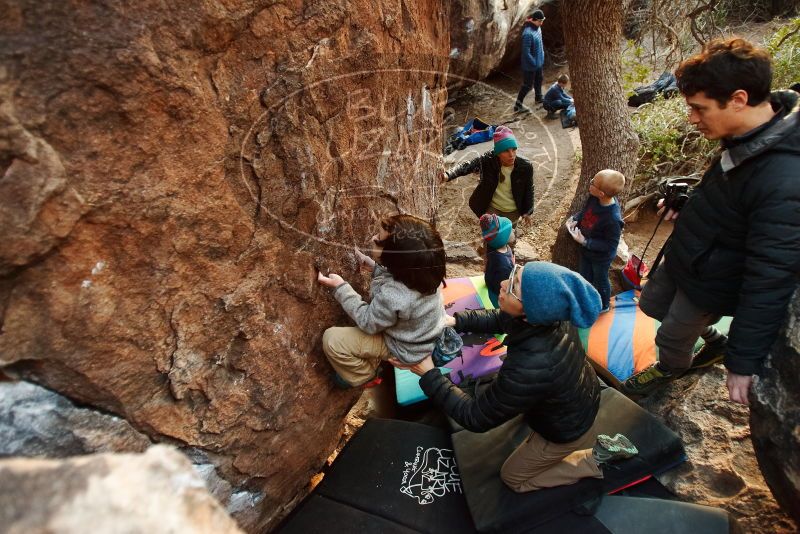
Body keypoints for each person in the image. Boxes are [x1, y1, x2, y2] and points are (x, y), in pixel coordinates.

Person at [620, 38, 800, 404]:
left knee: (670, 337)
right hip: (691, 256)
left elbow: (771, 274)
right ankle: (712, 339)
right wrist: (688, 204)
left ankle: (672, 367)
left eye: (699, 108)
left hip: (711, 279)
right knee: (651, 305)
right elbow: (732, 199)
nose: (692, 118)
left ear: (738, 99)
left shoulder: (785, 178)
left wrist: (744, 360)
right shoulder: (749, 134)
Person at [392, 262, 638, 492]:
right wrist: (455, 320)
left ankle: (595, 459)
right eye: (514, 275)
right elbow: (502, 319)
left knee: (513, 478)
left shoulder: (530, 366)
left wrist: (428, 373)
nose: (502, 283)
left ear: (530, 311)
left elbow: (475, 417)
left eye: (514, 286)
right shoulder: (550, 319)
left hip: (564, 430)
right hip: (578, 398)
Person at [317, 214, 447, 388]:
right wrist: (375, 266)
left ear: (395, 260)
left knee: (332, 340)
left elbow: (368, 322)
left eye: (378, 240)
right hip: (421, 335)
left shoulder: (395, 296)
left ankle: (365, 376)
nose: (373, 238)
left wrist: (341, 288)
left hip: (405, 347)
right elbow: (400, 278)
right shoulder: (426, 272)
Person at [443, 126, 534, 225]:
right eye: (506, 151)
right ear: (498, 153)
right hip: (492, 208)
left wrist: (527, 211)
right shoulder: (488, 160)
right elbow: (468, 165)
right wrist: (448, 174)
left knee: (509, 237)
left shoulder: (526, 167)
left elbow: (529, 189)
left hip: (512, 211)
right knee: (491, 237)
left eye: (514, 149)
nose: (511, 155)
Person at [566, 170, 626, 312]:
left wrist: (585, 241)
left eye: (593, 182)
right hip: (586, 251)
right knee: (584, 274)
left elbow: (610, 245)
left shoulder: (613, 219)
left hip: (601, 257)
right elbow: (586, 211)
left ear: (601, 194)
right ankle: (585, 297)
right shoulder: (594, 198)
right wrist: (576, 219)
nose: (590, 182)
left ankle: (604, 305)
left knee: (600, 280)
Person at [480, 214, 515, 308]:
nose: (514, 231)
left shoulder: (494, 247)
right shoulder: (503, 265)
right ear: (502, 238)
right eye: (510, 230)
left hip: (492, 284)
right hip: (498, 298)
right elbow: (507, 288)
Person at [514, 9, 546, 113]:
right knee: (527, 85)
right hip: (530, 65)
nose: (541, 23)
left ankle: (538, 97)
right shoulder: (527, 33)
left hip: (538, 62)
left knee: (539, 79)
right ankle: (517, 106)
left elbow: (540, 44)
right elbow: (526, 52)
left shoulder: (538, 28)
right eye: (540, 21)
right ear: (534, 20)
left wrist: (541, 57)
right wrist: (534, 63)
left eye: (542, 21)